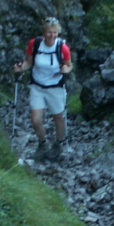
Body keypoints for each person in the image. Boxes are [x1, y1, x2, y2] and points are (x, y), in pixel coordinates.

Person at [13, 17, 73, 161]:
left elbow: (69, 65)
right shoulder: (35, 44)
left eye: (55, 33)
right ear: (44, 32)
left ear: (58, 33)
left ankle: (59, 144)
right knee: (35, 119)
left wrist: (66, 69)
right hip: (37, 86)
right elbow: (28, 62)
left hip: (55, 87)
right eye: (49, 32)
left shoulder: (62, 48)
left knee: (58, 117)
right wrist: (20, 68)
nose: (52, 36)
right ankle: (43, 144)